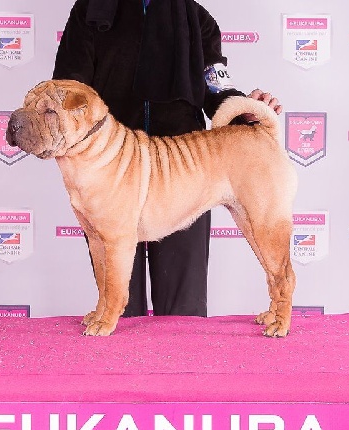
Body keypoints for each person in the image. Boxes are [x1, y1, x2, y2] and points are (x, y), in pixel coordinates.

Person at [53, 0, 282, 317]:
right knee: (117, 313)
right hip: (110, 171)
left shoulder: (198, 19)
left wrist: (246, 111)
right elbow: (68, 89)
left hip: (185, 171)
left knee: (183, 313)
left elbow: (216, 88)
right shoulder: (91, 10)